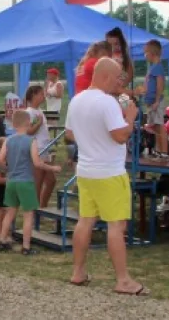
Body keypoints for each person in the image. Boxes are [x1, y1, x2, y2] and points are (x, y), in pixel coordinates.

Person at [64, 58, 146, 295]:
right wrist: (130, 117)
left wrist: (91, 140)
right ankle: (123, 280)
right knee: (116, 225)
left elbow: (70, 134)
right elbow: (120, 136)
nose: (118, 84)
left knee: (85, 219)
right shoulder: (107, 103)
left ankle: (78, 272)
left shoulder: (76, 100)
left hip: (86, 170)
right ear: (107, 77)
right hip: (109, 172)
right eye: (117, 78)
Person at [0, 109, 61, 254]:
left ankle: (2, 240)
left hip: (11, 181)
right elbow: (37, 163)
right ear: (28, 123)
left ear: (13, 124)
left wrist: (7, 169)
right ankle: (26, 247)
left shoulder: (8, 140)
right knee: (28, 214)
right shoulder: (31, 141)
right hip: (25, 181)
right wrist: (52, 168)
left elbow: (0, 160)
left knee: (10, 212)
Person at [24, 85, 57, 210]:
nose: (43, 96)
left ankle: (42, 206)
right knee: (37, 181)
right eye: (41, 94)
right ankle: (34, 210)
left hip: (45, 148)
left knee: (51, 180)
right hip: (37, 150)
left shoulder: (40, 111)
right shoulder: (28, 112)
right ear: (33, 95)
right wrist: (37, 124)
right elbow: (28, 131)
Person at [142, 40, 169, 160]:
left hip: (156, 102)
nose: (145, 55)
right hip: (151, 102)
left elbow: (160, 85)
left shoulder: (158, 68)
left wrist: (157, 101)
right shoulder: (153, 68)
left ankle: (164, 152)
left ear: (152, 53)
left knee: (160, 125)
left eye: (146, 52)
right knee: (155, 126)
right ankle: (158, 150)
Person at [105, 27, 134, 98]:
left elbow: (129, 74)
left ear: (122, 43)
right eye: (110, 45)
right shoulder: (105, 58)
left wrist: (119, 84)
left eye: (116, 44)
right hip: (108, 94)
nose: (113, 47)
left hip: (121, 93)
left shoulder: (125, 58)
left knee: (126, 107)